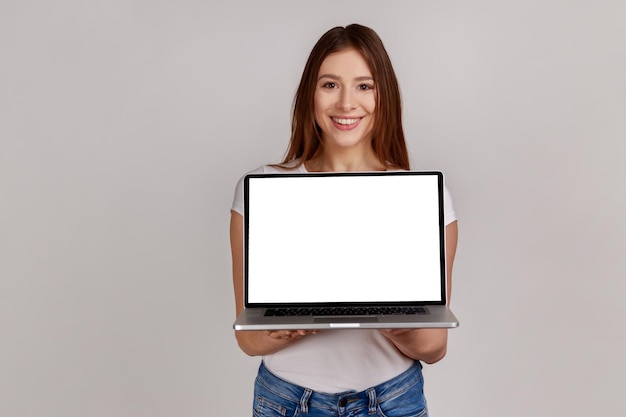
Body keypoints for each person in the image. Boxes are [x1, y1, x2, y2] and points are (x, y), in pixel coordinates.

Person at [230, 24, 458, 417]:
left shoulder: (425, 198)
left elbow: (434, 347)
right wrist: (284, 331)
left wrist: (393, 322)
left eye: (364, 86)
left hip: (392, 400)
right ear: (310, 95)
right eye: (330, 84)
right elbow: (249, 341)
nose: (346, 103)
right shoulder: (262, 188)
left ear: (383, 95)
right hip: (286, 402)